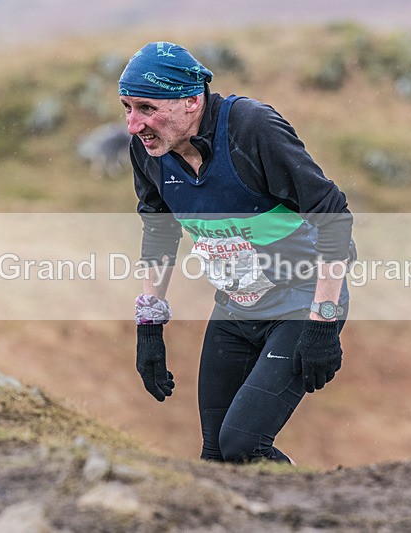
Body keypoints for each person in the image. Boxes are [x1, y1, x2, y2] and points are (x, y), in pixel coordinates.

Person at [119, 41, 355, 464]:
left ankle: (312, 503)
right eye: (127, 108)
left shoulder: (250, 128)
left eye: (147, 108)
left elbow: (333, 215)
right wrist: (148, 328)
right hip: (235, 306)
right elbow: (159, 230)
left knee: (243, 446)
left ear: (192, 100)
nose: (135, 125)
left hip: (300, 302)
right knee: (215, 458)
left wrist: (323, 322)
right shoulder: (149, 149)